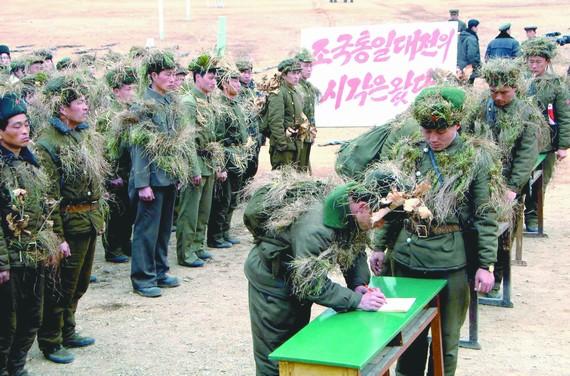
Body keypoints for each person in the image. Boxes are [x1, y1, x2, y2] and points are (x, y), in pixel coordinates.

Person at [370, 86, 501, 376]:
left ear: (457, 124)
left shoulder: (474, 158)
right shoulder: (409, 152)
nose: (433, 138)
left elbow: (485, 216)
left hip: (449, 263)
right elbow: (392, 204)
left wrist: (485, 265)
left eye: (440, 131)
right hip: (406, 258)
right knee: (406, 333)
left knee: (447, 337)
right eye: (427, 130)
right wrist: (380, 246)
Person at [244, 171, 395, 376]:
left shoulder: (350, 206)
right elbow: (310, 284)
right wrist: (356, 300)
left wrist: (359, 285)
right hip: (273, 283)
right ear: (362, 207)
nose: (378, 226)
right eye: (378, 221)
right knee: (276, 357)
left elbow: (354, 248)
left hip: (295, 277)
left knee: (297, 346)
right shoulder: (316, 227)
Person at [35, 75, 108, 364]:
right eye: (79, 102)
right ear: (62, 109)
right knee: (61, 286)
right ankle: (50, 341)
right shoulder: (46, 143)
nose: (86, 107)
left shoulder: (82, 135)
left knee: (79, 285)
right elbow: (49, 195)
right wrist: (58, 237)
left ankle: (68, 329)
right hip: (68, 222)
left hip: (87, 220)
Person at [463, 58, 541, 296]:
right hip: (478, 181)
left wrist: (513, 187)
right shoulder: (479, 108)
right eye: (493, 92)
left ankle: (495, 280)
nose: (498, 97)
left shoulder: (527, 114)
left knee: (500, 234)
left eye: (504, 92)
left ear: (515, 88)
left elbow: (527, 155)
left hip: (506, 185)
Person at [0, 93, 64, 376]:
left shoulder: (30, 162)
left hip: (34, 254)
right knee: (7, 323)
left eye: (26, 124)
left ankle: (18, 366)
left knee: (32, 317)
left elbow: (46, 207)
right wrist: (2, 262)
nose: (24, 131)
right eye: (16, 126)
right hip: (11, 259)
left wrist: (53, 241)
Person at [128, 51, 182, 297]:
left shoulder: (169, 102)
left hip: (167, 177)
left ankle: (159, 271)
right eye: (167, 75)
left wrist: (179, 173)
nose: (173, 79)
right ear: (153, 76)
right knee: (146, 231)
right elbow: (139, 146)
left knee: (163, 229)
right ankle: (143, 278)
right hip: (151, 179)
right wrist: (142, 183)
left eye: (174, 75)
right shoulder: (144, 106)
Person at [177, 54, 225, 263]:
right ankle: (186, 252)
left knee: (203, 209)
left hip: (207, 160)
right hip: (195, 160)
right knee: (189, 211)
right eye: (210, 77)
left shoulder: (207, 100)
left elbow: (212, 137)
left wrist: (216, 165)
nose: (214, 82)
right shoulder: (189, 102)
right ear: (197, 77)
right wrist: (193, 168)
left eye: (215, 78)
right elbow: (187, 138)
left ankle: (197, 245)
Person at [520, 37, 570, 232]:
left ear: (547, 62)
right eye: (531, 61)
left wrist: (563, 146)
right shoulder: (519, 82)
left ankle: (532, 219)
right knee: (520, 181)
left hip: (546, 145)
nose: (534, 66)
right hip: (522, 143)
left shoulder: (556, 85)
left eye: (538, 62)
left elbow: (565, 117)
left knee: (539, 184)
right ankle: (514, 220)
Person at [99, 66, 138, 264]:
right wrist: (111, 175)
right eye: (129, 88)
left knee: (129, 211)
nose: (133, 92)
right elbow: (105, 149)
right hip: (117, 172)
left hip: (130, 170)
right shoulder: (109, 116)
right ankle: (113, 248)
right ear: (116, 91)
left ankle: (124, 241)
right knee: (116, 212)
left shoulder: (130, 112)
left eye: (134, 88)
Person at [207, 69, 249, 248]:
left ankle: (225, 231)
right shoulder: (221, 108)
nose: (239, 85)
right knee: (222, 199)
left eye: (239, 82)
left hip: (238, 156)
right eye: (235, 81)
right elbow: (217, 139)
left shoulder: (235, 105)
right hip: (227, 157)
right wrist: (220, 165)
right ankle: (215, 236)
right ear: (224, 84)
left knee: (233, 198)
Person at [264, 58, 307, 170]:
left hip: (294, 144)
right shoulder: (278, 93)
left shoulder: (295, 92)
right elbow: (275, 121)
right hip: (283, 147)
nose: (297, 76)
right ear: (283, 75)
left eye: (298, 73)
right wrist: (282, 144)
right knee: (282, 180)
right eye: (293, 73)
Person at [236, 59, 263, 183]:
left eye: (249, 72)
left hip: (255, 137)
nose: (246, 75)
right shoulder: (235, 90)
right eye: (243, 72)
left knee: (253, 167)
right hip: (243, 139)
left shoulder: (254, 90)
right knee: (241, 170)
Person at [295, 49, 320, 173]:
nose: (309, 69)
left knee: (304, 167)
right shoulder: (296, 87)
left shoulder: (308, 87)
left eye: (311, 66)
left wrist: (312, 131)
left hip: (307, 134)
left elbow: (311, 113)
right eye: (306, 66)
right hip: (298, 135)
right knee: (298, 167)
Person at [457, 19, 481, 85]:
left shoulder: (461, 36)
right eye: (477, 27)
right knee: (469, 86)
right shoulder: (471, 38)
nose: (477, 29)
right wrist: (475, 66)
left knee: (461, 85)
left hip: (460, 66)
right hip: (468, 67)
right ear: (473, 27)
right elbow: (471, 55)